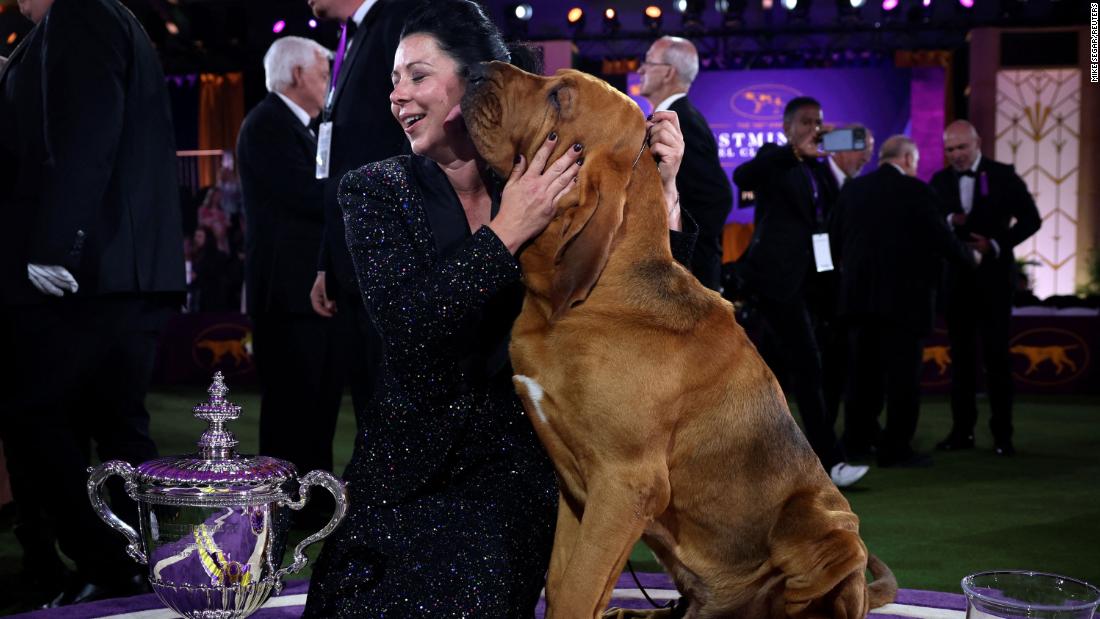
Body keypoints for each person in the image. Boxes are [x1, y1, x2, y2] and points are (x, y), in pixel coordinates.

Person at [302, 1, 693, 615]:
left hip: (515, 473)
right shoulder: (373, 190)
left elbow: (640, 301)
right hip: (400, 472)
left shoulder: (547, 182)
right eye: (394, 80)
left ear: (478, 79)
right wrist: (507, 232)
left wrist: (662, 194)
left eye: (418, 76)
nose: (398, 96)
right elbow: (410, 329)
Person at [0, 0, 184, 606]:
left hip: (86, 272)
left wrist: (55, 242)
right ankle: (135, 570)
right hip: (118, 271)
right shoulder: (108, 16)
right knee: (113, 424)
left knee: (34, 416)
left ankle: (108, 564)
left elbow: (84, 132)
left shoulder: (78, 13)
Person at [732, 97, 868, 488]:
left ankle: (753, 459)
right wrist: (793, 152)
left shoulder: (821, 170)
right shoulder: (775, 157)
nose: (815, 128)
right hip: (776, 284)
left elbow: (827, 222)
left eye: (820, 122)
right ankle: (831, 462)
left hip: (809, 286)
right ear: (788, 127)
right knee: (808, 368)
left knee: (768, 375)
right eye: (807, 122)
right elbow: (744, 177)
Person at [237, 37, 345, 524]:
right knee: (291, 408)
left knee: (317, 405)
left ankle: (313, 502)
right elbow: (306, 196)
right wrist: (359, 185)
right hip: (286, 296)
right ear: (298, 75)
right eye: (324, 72)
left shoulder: (298, 128)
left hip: (307, 295)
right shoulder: (266, 125)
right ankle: (282, 507)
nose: (329, 82)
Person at [830, 136, 974, 468]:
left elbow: (829, 238)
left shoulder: (852, 190)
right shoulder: (918, 191)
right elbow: (943, 240)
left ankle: (855, 441)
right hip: (905, 305)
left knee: (861, 376)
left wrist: (831, 279)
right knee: (902, 379)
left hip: (857, 301)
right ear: (909, 159)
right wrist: (969, 260)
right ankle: (895, 449)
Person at [306, 0, 419, 419]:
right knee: (367, 405)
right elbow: (338, 164)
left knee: (390, 412)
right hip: (351, 259)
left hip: (389, 257)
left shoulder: (397, 21)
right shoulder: (351, 36)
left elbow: (406, 141)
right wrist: (327, 263)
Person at [930, 120, 1041, 457]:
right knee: (961, 362)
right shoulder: (938, 181)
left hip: (994, 284)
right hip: (957, 285)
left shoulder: (1003, 175)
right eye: (950, 149)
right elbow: (930, 221)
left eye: (962, 147)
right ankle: (962, 433)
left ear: (977, 143)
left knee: (997, 359)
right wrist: (950, 221)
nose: (956, 155)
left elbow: (1031, 219)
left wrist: (994, 243)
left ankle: (1002, 436)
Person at [638, 36, 733, 291]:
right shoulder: (680, 119)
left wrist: (682, 246)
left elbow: (718, 197)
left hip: (689, 279)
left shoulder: (684, 123)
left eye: (647, 61)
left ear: (668, 72)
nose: (640, 69)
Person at [818, 124, 874, 450]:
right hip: (820, 294)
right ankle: (823, 440)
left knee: (850, 368)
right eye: (859, 146)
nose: (867, 154)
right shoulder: (816, 176)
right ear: (836, 148)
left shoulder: (860, 187)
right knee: (827, 373)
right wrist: (828, 275)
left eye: (869, 147)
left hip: (850, 295)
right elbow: (818, 234)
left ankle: (853, 434)